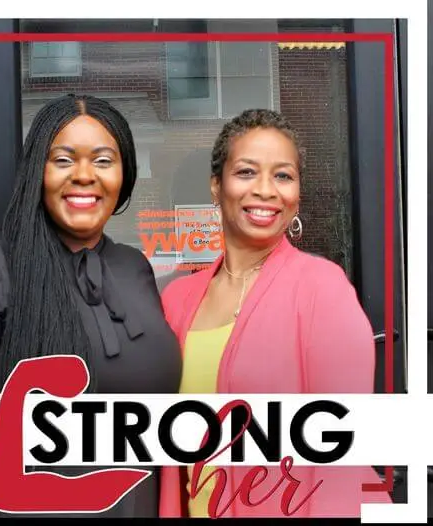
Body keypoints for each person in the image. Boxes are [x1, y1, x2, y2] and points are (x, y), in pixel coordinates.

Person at [0, 93, 182, 518]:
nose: (84, 176)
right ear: (37, 172)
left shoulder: (134, 268)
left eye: (103, 161)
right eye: (63, 160)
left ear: (125, 175)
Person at [159, 109, 391, 518]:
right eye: (247, 172)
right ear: (217, 186)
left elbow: (341, 451)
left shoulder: (323, 289)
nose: (266, 189)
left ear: (296, 193)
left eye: (283, 175)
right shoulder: (177, 299)